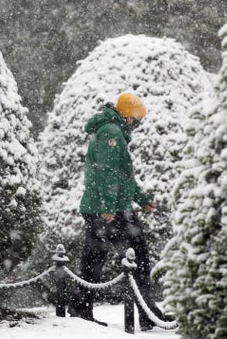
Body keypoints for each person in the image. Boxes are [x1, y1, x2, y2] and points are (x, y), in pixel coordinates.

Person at [68, 92, 170, 330]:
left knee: (94, 258)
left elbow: (123, 176)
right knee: (139, 259)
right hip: (112, 210)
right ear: (128, 115)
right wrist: (108, 208)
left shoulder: (109, 131)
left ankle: (80, 306)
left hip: (105, 207)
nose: (137, 124)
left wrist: (142, 199)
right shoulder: (112, 133)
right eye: (137, 119)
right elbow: (108, 173)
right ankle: (147, 315)